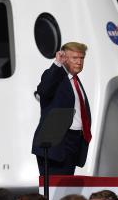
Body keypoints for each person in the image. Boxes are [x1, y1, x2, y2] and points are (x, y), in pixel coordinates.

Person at [32, 42, 91, 175]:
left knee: (67, 190)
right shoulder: (54, 76)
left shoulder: (76, 80)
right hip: (56, 143)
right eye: (74, 58)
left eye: (81, 58)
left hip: (74, 142)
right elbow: (44, 90)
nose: (79, 62)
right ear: (64, 58)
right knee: (54, 190)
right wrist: (57, 63)